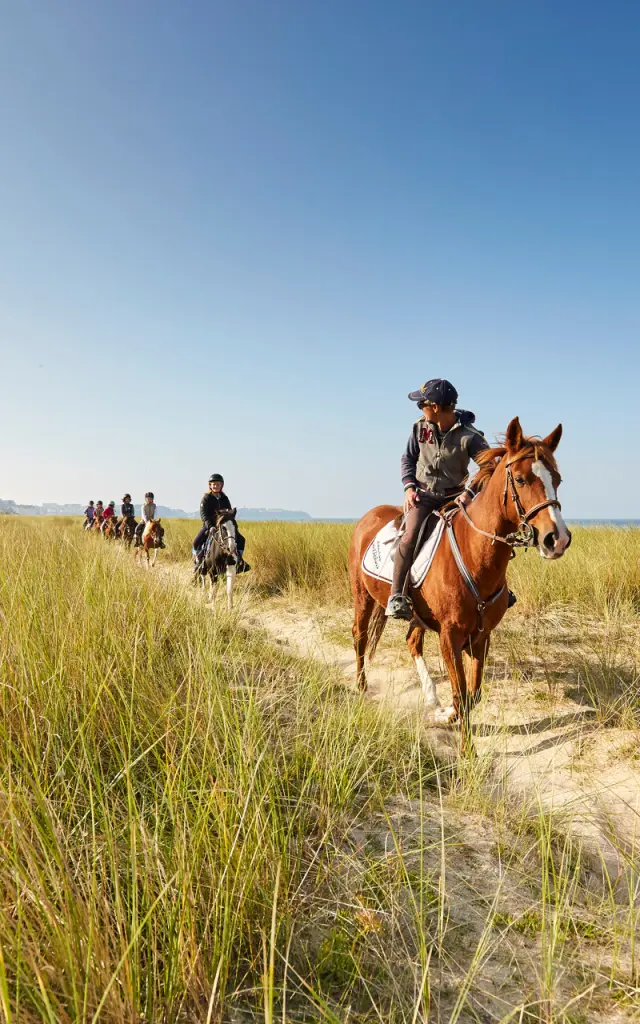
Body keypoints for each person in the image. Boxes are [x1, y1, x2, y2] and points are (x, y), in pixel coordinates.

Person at [386, 378, 490, 621]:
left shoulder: (471, 436)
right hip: (423, 497)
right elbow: (408, 459)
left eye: (421, 404)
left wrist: (469, 493)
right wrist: (409, 487)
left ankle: (499, 591)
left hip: (457, 499)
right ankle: (397, 595)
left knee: (486, 535)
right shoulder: (419, 428)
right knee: (409, 536)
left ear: (434, 406)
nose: (419, 408)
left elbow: (489, 467)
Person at [193, 474, 250, 572]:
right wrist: (210, 526)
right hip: (209, 526)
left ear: (221, 485)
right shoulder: (206, 498)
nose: (215, 486)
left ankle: (239, 560)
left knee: (241, 540)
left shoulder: (225, 498)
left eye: (218, 484)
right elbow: (203, 515)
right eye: (213, 484)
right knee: (196, 542)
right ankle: (199, 563)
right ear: (210, 485)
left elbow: (229, 513)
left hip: (224, 526)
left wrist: (230, 522)